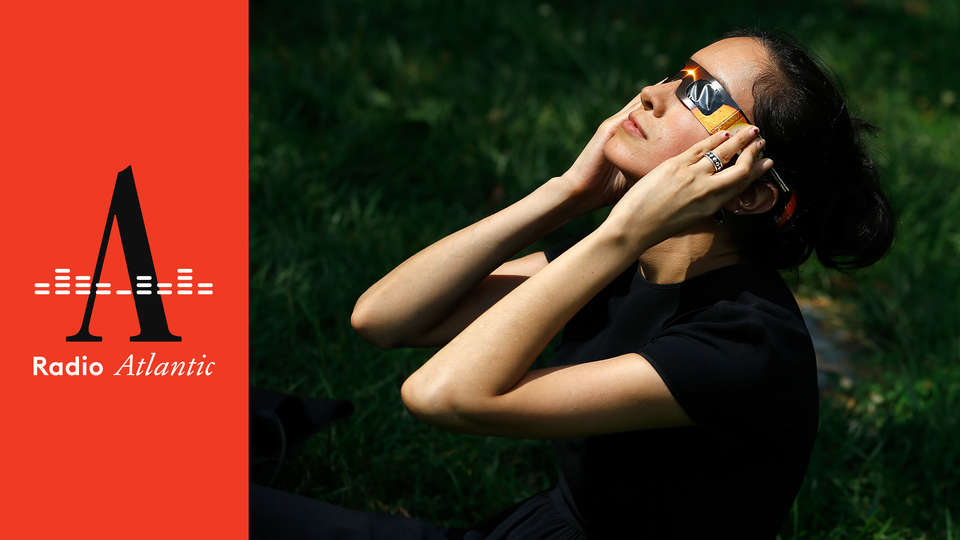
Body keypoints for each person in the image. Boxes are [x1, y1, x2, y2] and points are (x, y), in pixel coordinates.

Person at [250, 28, 895, 539]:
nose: (653, 92)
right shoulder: (637, 265)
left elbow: (442, 395)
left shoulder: (747, 343)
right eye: (682, 74)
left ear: (750, 191)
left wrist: (617, 235)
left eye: (703, 97)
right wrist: (564, 196)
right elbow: (385, 318)